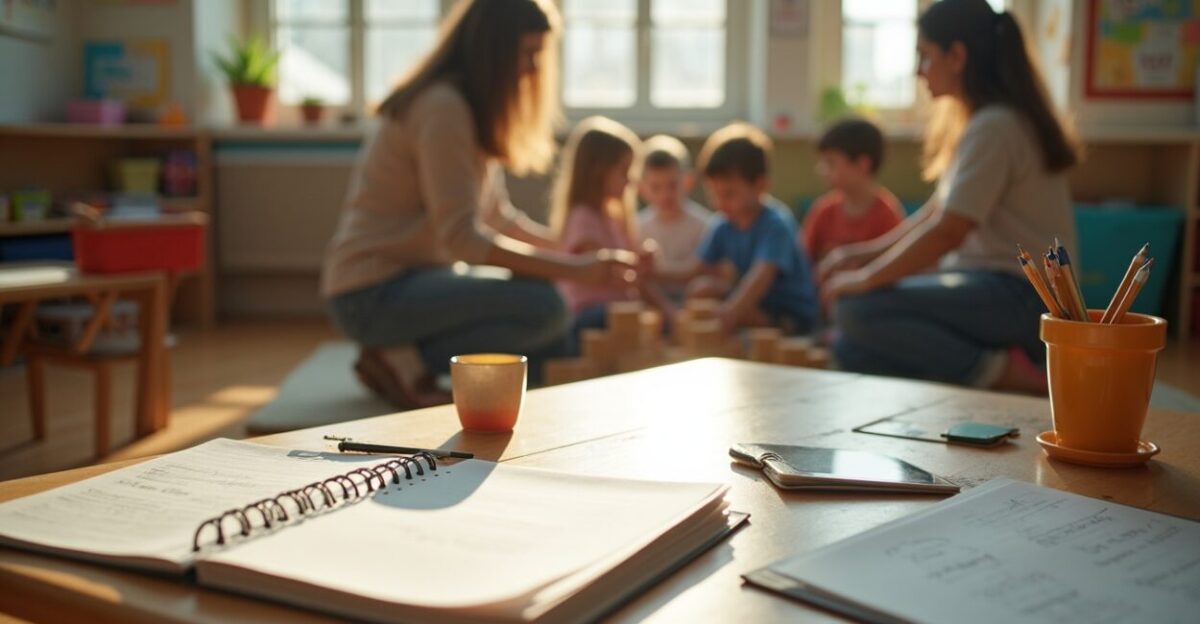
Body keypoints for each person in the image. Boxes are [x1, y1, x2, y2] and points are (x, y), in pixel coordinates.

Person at [321, 0, 634, 408]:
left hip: (414, 285)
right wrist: (575, 269)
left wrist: (575, 251)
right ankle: (401, 358)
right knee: (546, 308)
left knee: (554, 336)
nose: (534, 69)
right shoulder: (442, 109)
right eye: (528, 54)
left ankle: (404, 355)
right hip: (371, 295)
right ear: (494, 51)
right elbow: (463, 242)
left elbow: (497, 216)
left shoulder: (466, 108)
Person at [820, 0, 1081, 393]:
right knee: (852, 348)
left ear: (957, 56)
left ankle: (1007, 375)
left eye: (925, 56)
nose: (919, 71)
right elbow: (939, 212)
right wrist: (864, 254)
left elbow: (949, 230)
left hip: (1021, 297)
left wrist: (865, 279)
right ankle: (969, 372)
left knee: (855, 311)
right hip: (989, 288)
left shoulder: (995, 126)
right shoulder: (987, 121)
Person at [675, 123, 818, 334]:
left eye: (729, 194)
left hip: (790, 313)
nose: (719, 203)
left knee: (738, 311)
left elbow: (760, 278)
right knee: (702, 289)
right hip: (758, 302)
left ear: (760, 186)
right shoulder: (724, 223)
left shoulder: (776, 224)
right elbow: (694, 270)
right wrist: (652, 270)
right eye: (714, 194)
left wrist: (729, 312)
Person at [552, 117, 673, 338]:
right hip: (590, 313)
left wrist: (666, 308)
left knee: (658, 323)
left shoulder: (613, 218)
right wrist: (636, 266)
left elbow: (633, 277)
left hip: (618, 309)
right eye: (623, 171)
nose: (630, 181)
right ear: (598, 171)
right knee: (633, 321)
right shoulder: (582, 218)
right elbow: (606, 271)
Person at [802, 117, 904, 266]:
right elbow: (802, 262)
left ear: (862, 165)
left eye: (830, 162)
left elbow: (897, 264)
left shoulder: (886, 215)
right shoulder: (823, 211)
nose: (822, 170)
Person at [636, 135, 711, 298]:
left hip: (693, 304)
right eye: (656, 187)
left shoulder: (705, 225)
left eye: (672, 185)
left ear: (688, 181)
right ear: (642, 188)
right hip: (653, 306)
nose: (665, 195)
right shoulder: (637, 227)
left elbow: (706, 273)